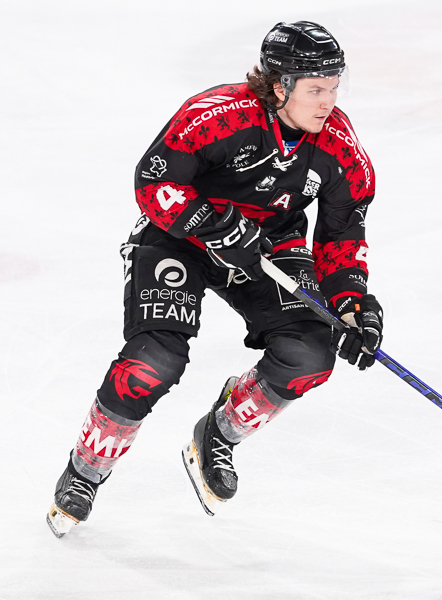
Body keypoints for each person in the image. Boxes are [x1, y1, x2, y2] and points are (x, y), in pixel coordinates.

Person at [47, 20, 384, 537]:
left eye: (335, 87)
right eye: (316, 89)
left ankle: (219, 433)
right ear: (279, 85)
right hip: (181, 237)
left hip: (268, 249)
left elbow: (342, 232)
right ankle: (85, 470)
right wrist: (213, 223)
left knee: (309, 355)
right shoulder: (218, 116)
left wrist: (352, 300)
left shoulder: (338, 144)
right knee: (151, 362)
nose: (328, 102)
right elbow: (154, 180)